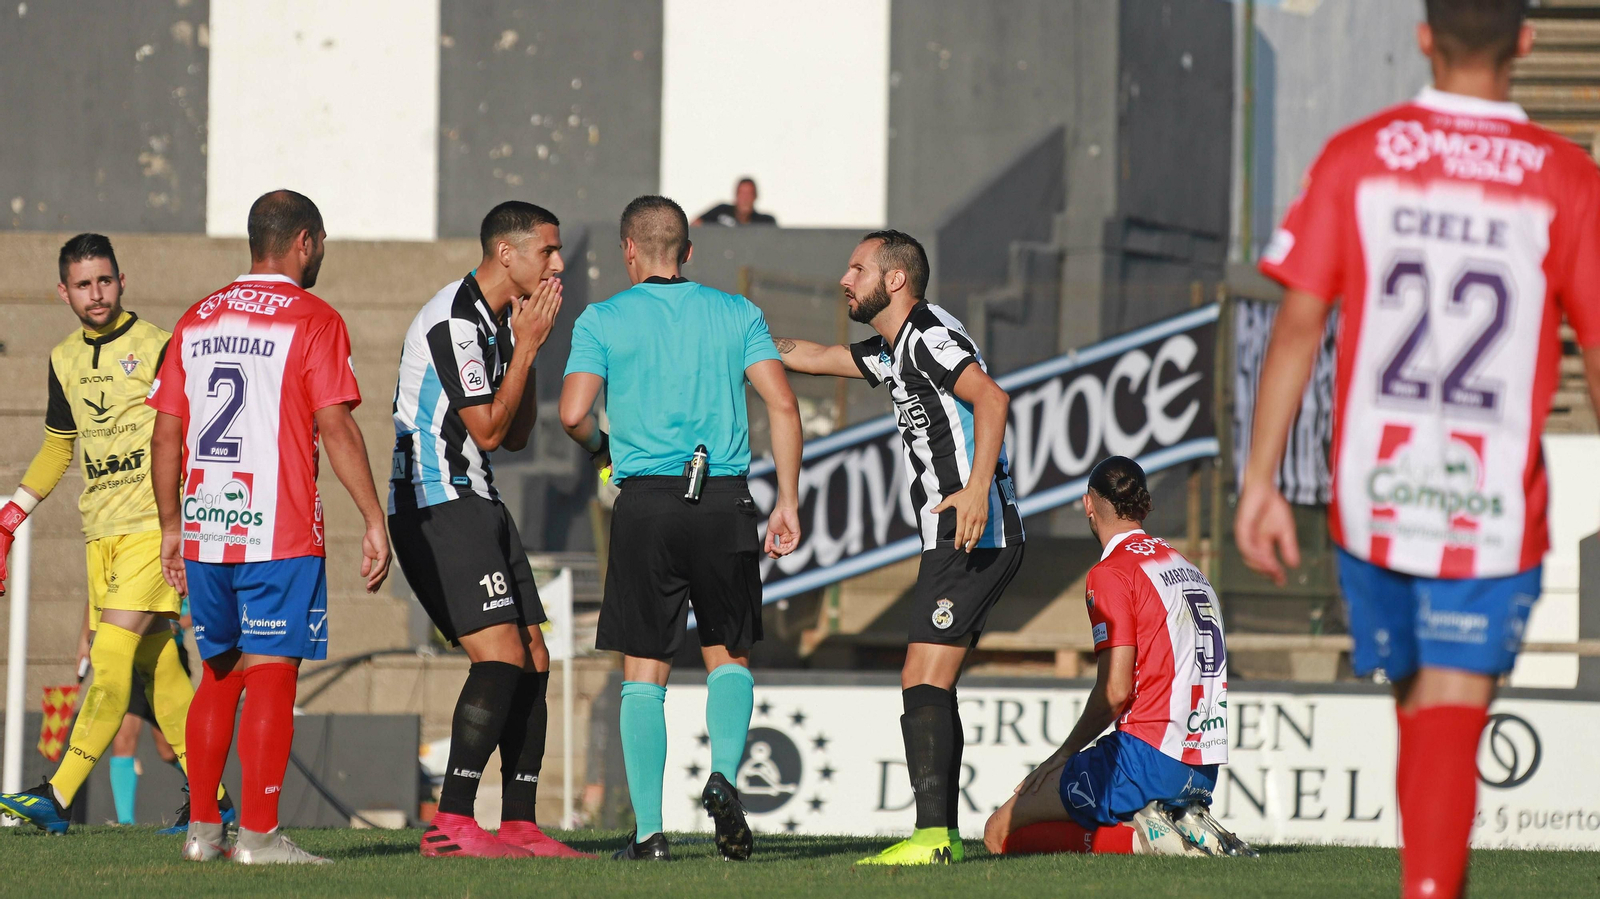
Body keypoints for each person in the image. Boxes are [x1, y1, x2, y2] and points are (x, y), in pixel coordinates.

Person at [1236, 2, 1600, 895]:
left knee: (1422, 709)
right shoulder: (1569, 178)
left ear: (1424, 35)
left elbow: (1297, 325)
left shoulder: (1359, 155)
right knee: (1448, 712)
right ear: (1526, 38)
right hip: (1492, 502)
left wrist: (1261, 479)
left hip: (1374, 494)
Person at [149, 189, 392, 864]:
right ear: (304, 242)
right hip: (277, 529)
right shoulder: (313, 317)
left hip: (206, 524)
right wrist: (374, 518)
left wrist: (172, 524)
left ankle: (202, 833)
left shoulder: (195, 318)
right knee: (272, 674)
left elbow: (167, 432)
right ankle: (257, 834)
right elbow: (335, 423)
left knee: (219, 674)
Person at [559, 194, 802, 861]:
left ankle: (649, 834)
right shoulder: (736, 312)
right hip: (724, 498)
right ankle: (723, 774)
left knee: (646, 666)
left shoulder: (603, 318)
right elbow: (782, 402)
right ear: (689, 251)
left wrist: (605, 451)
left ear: (627, 250)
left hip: (645, 501)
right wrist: (789, 499)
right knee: (729, 651)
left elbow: (573, 410)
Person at [774, 230, 1023, 865]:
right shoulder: (897, 348)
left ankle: (933, 838)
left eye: (857, 268)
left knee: (921, 674)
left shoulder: (929, 336)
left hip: (971, 531)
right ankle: (941, 835)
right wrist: (745, 341)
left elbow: (992, 400)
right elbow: (822, 356)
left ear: (895, 281)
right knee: (931, 679)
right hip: (960, 532)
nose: (844, 279)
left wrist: (972, 492)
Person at [0, 234, 223, 835]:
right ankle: (217, 800)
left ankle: (59, 793)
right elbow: (57, 447)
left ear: (121, 281)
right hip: (99, 533)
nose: (95, 294)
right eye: (82, 284)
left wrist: (189, 521)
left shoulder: (157, 346)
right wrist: (12, 516)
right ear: (63, 292)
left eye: (104, 281)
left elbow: (195, 429)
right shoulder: (63, 359)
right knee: (163, 674)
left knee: (111, 658)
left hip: (152, 528)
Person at [388, 200, 589, 860]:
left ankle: (521, 823)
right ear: (508, 253)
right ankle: (451, 819)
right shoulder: (455, 318)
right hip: (438, 501)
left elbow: (519, 431)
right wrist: (527, 346)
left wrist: (529, 348)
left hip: (477, 496)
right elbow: (489, 429)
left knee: (535, 657)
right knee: (500, 656)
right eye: (548, 251)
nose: (558, 264)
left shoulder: (498, 321)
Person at [983, 456, 1253, 858]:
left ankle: (1150, 841)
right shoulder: (1188, 567)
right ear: (1143, 506)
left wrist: (1060, 757)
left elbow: (1115, 691)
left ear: (1089, 505)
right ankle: (1171, 820)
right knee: (1072, 816)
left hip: (1145, 759)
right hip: (1202, 766)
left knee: (997, 832)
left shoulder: (1111, 573)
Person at [693, 177, 777, 227]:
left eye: (749, 194)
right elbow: (695, 225)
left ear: (755, 197)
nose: (745, 199)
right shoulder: (720, 212)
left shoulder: (765, 222)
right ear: (736, 196)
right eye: (742, 194)